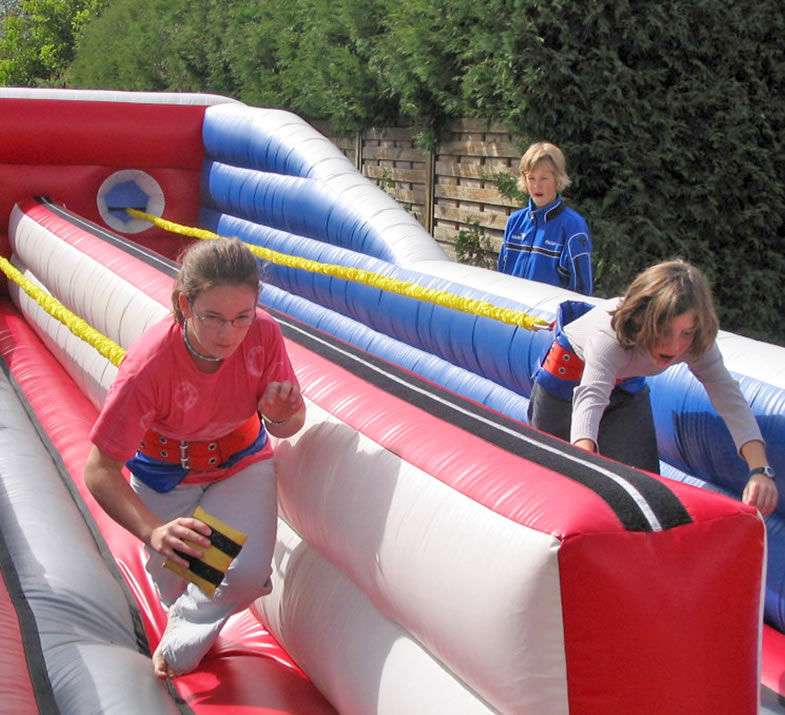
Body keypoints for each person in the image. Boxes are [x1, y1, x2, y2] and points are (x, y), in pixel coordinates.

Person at [84, 236, 306, 678]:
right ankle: (183, 608)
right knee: (179, 579)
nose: (229, 334)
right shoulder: (150, 364)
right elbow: (99, 470)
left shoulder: (263, 335)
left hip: (240, 463)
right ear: (185, 305)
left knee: (240, 575)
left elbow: (287, 426)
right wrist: (154, 531)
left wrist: (283, 418)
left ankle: (180, 645)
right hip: (167, 474)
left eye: (242, 317)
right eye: (213, 318)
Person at [527, 259, 778, 516]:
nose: (674, 345)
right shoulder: (610, 334)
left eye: (686, 332)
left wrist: (760, 469)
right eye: (665, 330)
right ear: (641, 318)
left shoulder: (697, 341)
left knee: (645, 492)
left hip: (626, 389)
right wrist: (584, 462)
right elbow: (591, 398)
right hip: (565, 385)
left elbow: (728, 396)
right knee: (560, 490)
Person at [497, 141, 593, 296]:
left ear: (557, 179)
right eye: (531, 178)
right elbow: (501, 275)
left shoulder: (573, 227)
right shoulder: (514, 222)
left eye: (544, 178)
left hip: (548, 318)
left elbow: (582, 292)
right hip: (512, 316)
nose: (536, 186)